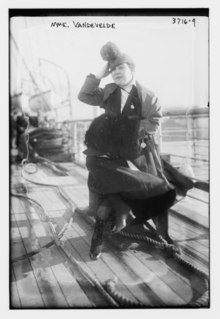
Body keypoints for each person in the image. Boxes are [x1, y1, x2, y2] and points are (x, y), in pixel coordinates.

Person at [78, 42, 193, 259]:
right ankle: (117, 228)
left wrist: (132, 131)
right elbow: (84, 96)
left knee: (156, 187)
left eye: (121, 68)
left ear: (132, 69)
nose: (117, 73)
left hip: (139, 150)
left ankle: (165, 235)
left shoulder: (146, 94)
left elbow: (155, 121)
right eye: (113, 70)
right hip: (112, 152)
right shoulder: (108, 91)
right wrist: (101, 72)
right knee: (105, 184)